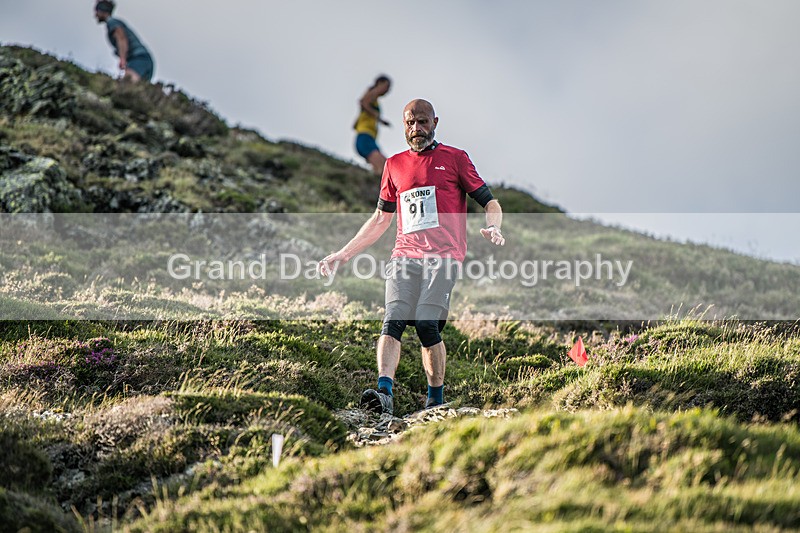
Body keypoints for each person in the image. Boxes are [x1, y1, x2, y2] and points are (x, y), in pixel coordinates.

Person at [320, 99, 505, 415]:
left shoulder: (456, 159)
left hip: (444, 257)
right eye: (410, 123)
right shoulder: (394, 165)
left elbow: (490, 202)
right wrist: (344, 253)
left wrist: (493, 227)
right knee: (392, 320)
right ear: (403, 124)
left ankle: (435, 400)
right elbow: (380, 219)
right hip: (404, 255)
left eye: (422, 122)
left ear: (434, 122)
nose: (416, 129)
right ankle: (384, 393)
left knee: (425, 324)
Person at [94, 1, 154, 83]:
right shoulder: (114, 22)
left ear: (102, 11)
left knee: (127, 85)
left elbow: (121, 38)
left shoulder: (112, 22)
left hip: (138, 59)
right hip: (145, 60)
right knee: (137, 91)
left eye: (97, 11)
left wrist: (122, 59)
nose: (95, 15)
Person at [354, 75, 392, 174]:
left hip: (368, 137)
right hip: (365, 136)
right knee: (386, 168)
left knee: (383, 168)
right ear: (380, 83)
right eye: (387, 86)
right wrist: (376, 115)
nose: (387, 90)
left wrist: (381, 120)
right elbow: (363, 102)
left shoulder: (374, 99)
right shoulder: (373, 93)